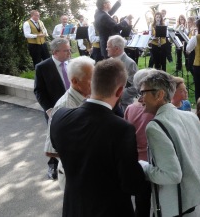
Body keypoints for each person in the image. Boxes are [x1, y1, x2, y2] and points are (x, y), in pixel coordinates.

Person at [50, 58, 146, 216]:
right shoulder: (122, 129)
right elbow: (131, 185)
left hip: (73, 208)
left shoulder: (60, 116)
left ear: (92, 83)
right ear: (120, 91)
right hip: (110, 210)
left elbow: (57, 149)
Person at [137, 70, 200, 217]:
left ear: (159, 95)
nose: (140, 99)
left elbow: (171, 175)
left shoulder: (155, 127)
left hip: (177, 207)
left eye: (143, 93)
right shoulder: (191, 116)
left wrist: (144, 167)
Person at [44, 56, 95, 190]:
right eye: (91, 80)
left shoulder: (86, 96)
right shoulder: (66, 107)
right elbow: (50, 150)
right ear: (74, 81)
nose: (96, 83)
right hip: (75, 177)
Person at [34, 38, 71, 180]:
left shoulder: (72, 63)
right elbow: (39, 91)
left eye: (69, 49)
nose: (69, 52)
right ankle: (53, 164)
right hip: (53, 111)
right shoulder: (42, 67)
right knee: (55, 138)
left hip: (73, 107)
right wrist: (48, 109)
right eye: (66, 50)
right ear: (55, 52)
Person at [124, 69, 156, 217]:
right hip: (153, 160)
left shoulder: (130, 108)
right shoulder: (154, 110)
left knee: (142, 201)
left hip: (136, 160)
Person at [107, 35, 138, 110]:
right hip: (108, 103)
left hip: (123, 105)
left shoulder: (130, 63)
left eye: (108, 47)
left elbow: (135, 87)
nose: (106, 49)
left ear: (116, 49)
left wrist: (116, 96)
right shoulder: (109, 61)